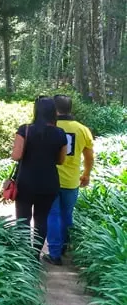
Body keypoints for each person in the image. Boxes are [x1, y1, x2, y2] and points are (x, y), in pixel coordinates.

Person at [11, 97, 68, 258]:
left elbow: (16, 156)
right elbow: (61, 160)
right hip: (49, 183)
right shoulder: (60, 133)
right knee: (42, 219)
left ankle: (22, 255)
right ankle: (35, 254)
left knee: (23, 218)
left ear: (36, 111)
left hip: (26, 182)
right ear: (53, 112)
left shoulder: (25, 130)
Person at [44, 95, 95, 265]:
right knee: (67, 215)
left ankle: (54, 253)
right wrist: (86, 174)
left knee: (53, 215)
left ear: (54, 109)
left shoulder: (49, 126)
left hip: (50, 179)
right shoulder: (82, 129)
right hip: (71, 181)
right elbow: (89, 156)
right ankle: (64, 247)